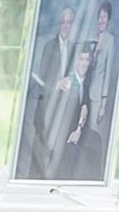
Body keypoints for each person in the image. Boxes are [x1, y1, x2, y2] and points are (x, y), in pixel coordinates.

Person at [20, 2, 81, 177]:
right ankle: (36, 182)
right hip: (47, 105)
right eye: (63, 21)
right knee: (40, 154)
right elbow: (42, 78)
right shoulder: (49, 46)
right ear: (58, 24)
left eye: (69, 22)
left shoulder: (74, 47)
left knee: (61, 152)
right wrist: (57, 85)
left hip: (65, 108)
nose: (65, 25)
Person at [40, 44, 97, 180]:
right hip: (65, 134)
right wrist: (76, 130)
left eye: (86, 60)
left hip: (77, 130)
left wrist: (79, 128)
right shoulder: (68, 83)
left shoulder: (85, 83)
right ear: (76, 61)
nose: (83, 63)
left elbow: (84, 109)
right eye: (81, 59)